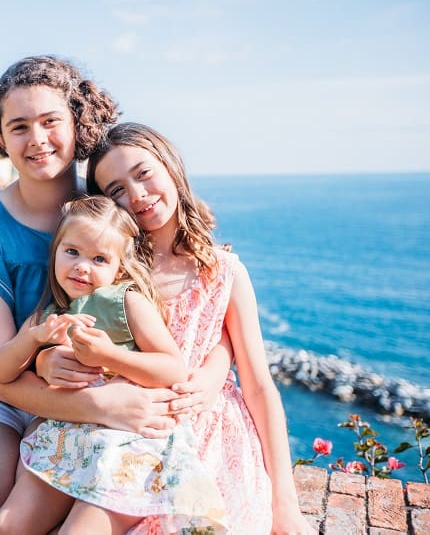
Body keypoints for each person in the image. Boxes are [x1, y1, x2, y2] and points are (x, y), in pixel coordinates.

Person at [0, 57, 198, 535]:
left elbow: (195, 292)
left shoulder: (112, 213)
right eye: (19, 126)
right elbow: (0, 372)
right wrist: (103, 405)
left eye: (51, 121)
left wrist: (209, 377)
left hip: (90, 389)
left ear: (78, 122)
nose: (37, 139)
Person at [37, 121, 309, 533]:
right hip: (126, 435)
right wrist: (46, 361)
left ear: (170, 166)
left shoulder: (223, 272)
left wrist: (285, 506)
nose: (138, 195)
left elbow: (258, 386)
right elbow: (68, 331)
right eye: (116, 191)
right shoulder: (109, 268)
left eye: (143, 174)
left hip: (206, 439)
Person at [0, 196, 227, 534]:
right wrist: (33, 342)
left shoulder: (125, 301)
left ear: (119, 267)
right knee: (6, 527)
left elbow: (173, 369)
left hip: (125, 443)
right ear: (55, 252)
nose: (82, 266)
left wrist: (109, 356)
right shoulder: (51, 313)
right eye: (72, 252)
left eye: (99, 258)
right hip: (67, 441)